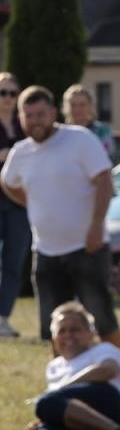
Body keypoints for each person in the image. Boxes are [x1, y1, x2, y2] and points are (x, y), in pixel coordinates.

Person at [0, 86, 120, 348]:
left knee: (102, 317)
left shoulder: (79, 139)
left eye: (41, 114)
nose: (35, 121)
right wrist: (32, 202)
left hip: (87, 246)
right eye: (28, 115)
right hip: (46, 251)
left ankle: (117, 377)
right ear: (20, 118)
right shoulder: (21, 152)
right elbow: (8, 183)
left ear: (53, 112)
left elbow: (103, 179)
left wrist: (96, 225)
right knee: (54, 327)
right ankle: (61, 382)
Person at [0, 302, 120, 430]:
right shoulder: (54, 367)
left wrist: (60, 390)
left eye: (74, 329)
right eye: (62, 331)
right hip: (82, 423)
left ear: (90, 333)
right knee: (48, 423)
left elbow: (107, 370)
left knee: (46, 402)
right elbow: (60, 403)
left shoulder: (104, 349)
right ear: (53, 338)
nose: (68, 335)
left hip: (106, 401)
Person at [0, 72, 30, 339]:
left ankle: (3, 317)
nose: (7, 98)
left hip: (20, 202)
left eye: (12, 93)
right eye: (2, 93)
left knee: (14, 261)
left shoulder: (25, 126)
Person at [63, 84, 115, 158]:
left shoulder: (102, 131)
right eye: (73, 105)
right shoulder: (62, 134)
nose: (77, 109)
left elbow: (104, 158)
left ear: (90, 105)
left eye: (82, 105)